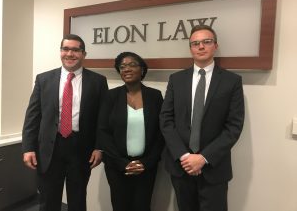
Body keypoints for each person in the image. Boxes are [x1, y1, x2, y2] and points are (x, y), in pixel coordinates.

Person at [160, 25, 245, 211]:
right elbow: (166, 120)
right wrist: (184, 156)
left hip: (214, 168)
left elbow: (234, 127)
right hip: (181, 167)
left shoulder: (232, 81)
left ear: (215, 45)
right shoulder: (176, 79)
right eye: (195, 43)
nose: (201, 47)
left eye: (206, 42)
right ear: (190, 48)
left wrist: (203, 158)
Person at [22, 34, 108, 211]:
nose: (70, 54)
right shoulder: (43, 79)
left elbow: (102, 119)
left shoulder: (98, 81)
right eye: (65, 49)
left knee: (77, 199)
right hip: (49, 149)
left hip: (81, 148)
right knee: (48, 199)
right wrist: (28, 148)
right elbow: (33, 116)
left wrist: (99, 147)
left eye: (75, 50)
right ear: (60, 52)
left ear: (84, 54)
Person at [98, 52, 164, 211]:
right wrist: (123, 163)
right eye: (122, 67)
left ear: (142, 70)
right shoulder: (110, 96)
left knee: (142, 206)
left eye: (132, 65)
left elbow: (161, 133)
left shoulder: (155, 96)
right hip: (117, 166)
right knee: (120, 206)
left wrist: (146, 163)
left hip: (146, 166)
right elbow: (103, 132)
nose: (127, 69)